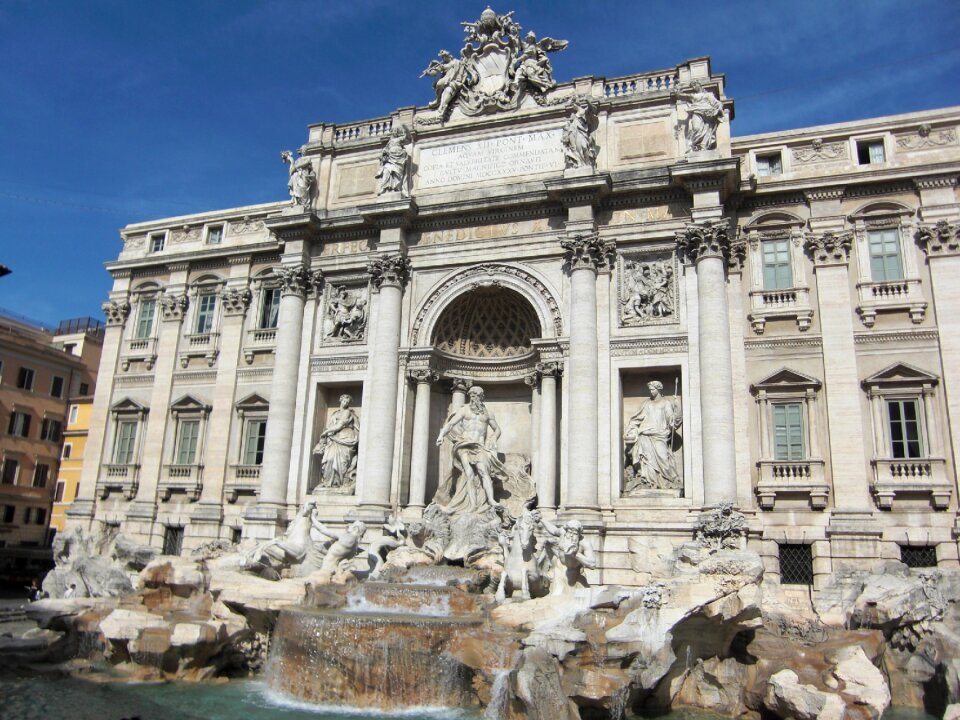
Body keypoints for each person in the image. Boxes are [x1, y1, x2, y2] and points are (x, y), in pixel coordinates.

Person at [435, 385, 503, 512]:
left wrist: (493, 438)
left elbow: (497, 429)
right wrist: (441, 435)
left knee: (483, 471)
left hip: (479, 446)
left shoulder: (488, 413)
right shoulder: (464, 410)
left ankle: (491, 500)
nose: (473, 398)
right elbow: (450, 424)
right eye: (471, 395)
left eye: (476, 395)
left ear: (481, 397)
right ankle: (472, 505)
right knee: (469, 473)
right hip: (464, 444)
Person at [624, 381, 682, 492]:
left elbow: (672, 420)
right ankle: (648, 482)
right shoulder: (646, 403)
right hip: (645, 435)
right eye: (650, 389)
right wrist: (630, 429)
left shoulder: (666, 403)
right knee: (646, 461)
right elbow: (637, 418)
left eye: (653, 389)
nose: (651, 391)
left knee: (663, 458)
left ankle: (669, 481)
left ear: (659, 389)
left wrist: (677, 407)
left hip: (660, 436)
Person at [313, 395, 360, 490]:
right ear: (340, 401)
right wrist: (326, 436)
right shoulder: (335, 414)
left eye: (347, 402)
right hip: (333, 439)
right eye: (344, 401)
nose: (345, 403)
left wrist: (326, 432)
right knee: (329, 459)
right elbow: (330, 425)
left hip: (345, 438)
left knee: (342, 462)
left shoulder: (347, 413)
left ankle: (339, 483)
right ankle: (328, 482)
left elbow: (340, 425)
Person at [675, 80, 724, 152]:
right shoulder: (693, 95)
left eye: (695, 85)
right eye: (692, 86)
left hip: (707, 115)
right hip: (697, 112)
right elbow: (681, 96)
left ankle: (702, 146)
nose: (694, 87)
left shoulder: (708, 95)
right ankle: (693, 145)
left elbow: (718, 103)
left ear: (699, 84)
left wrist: (718, 109)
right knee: (696, 128)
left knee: (707, 129)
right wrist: (677, 89)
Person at [375, 126, 411, 195]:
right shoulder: (389, 142)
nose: (394, 132)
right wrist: (384, 153)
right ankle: (384, 188)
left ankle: (397, 187)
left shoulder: (400, 139)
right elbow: (384, 150)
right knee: (386, 171)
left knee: (397, 172)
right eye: (393, 131)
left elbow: (408, 138)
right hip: (390, 158)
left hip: (399, 158)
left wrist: (405, 129)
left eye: (396, 131)